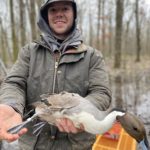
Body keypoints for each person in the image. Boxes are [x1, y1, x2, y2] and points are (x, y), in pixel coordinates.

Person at [0, 0, 111, 149]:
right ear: (45, 16)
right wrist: (11, 105)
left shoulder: (92, 56)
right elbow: (14, 83)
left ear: (74, 14)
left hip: (75, 145)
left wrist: (82, 113)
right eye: (53, 10)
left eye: (65, 9)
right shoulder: (29, 52)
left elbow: (101, 93)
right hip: (33, 144)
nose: (59, 14)